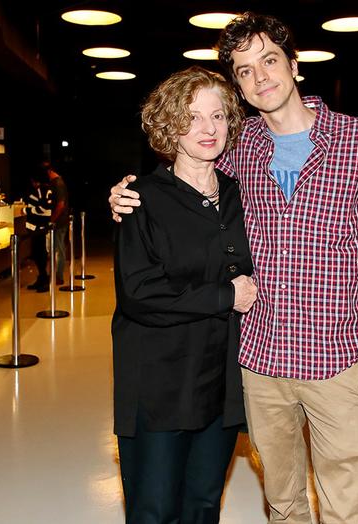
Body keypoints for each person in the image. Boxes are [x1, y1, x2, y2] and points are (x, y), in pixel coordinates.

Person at [110, 13, 358, 523]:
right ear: (239, 86)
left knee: (346, 499)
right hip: (260, 360)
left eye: (269, 60)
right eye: (245, 70)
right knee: (282, 498)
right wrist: (123, 198)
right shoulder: (239, 147)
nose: (261, 77)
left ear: (294, 65)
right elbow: (183, 186)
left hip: (336, 356)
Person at [113, 66, 257, 523]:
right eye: (192, 117)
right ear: (168, 125)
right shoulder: (142, 198)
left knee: (202, 503)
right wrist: (224, 296)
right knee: (154, 508)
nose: (208, 128)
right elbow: (139, 294)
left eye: (218, 116)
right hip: (160, 382)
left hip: (222, 380)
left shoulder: (242, 193)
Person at [23, 174, 53, 291]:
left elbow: (44, 209)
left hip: (39, 227)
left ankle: (43, 279)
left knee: (39, 253)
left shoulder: (41, 190)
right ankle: (42, 278)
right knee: (39, 253)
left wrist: (27, 210)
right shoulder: (47, 189)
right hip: (41, 226)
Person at [42, 162, 69, 285]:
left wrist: (52, 219)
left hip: (59, 221)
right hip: (60, 220)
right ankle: (56, 275)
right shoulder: (57, 182)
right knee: (57, 248)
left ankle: (59, 275)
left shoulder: (58, 183)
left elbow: (60, 204)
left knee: (59, 249)